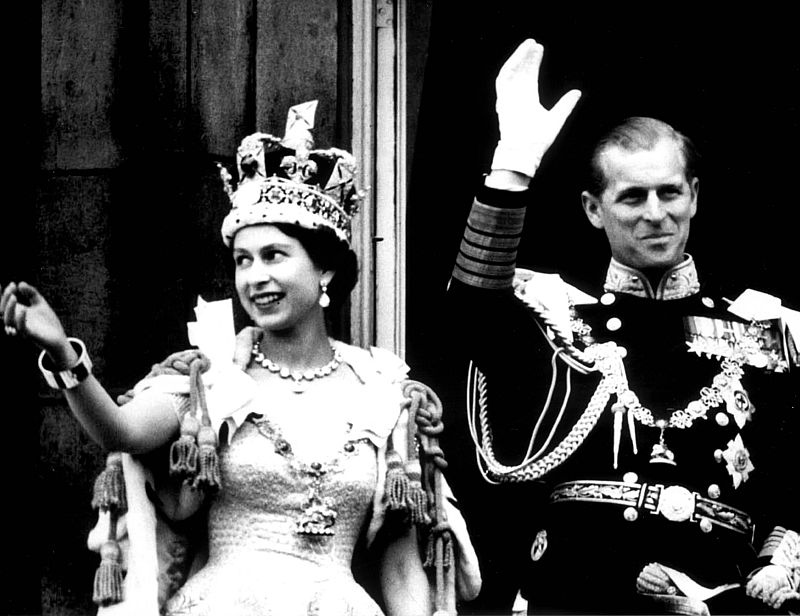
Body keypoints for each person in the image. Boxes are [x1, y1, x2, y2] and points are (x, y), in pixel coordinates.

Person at [2, 101, 480, 616]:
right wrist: (60, 351)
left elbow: (402, 564)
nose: (254, 277)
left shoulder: (380, 389)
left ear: (325, 270)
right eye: (242, 261)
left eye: (274, 256)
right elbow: (121, 431)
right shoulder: (213, 375)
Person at [441, 39, 800, 615]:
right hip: (577, 593)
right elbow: (469, 319)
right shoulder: (560, 320)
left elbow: (798, 476)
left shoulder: (762, 330)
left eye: (669, 193)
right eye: (632, 196)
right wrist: (511, 170)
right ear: (592, 208)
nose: (655, 213)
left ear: (694, 197)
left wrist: (775, 565)